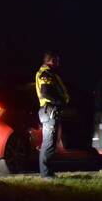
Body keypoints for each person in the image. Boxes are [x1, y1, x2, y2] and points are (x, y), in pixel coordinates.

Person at [35, 51, 69, 179]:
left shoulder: (48, 73)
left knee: (51, 143)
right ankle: (46, 174)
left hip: (50, 111)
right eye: (57, 61)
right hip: (49, 110)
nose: (59, 64)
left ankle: (48, 172)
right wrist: (59, 101)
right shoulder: (46, 73)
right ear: (52, 60)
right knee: (48, 143)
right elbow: (45, 93)